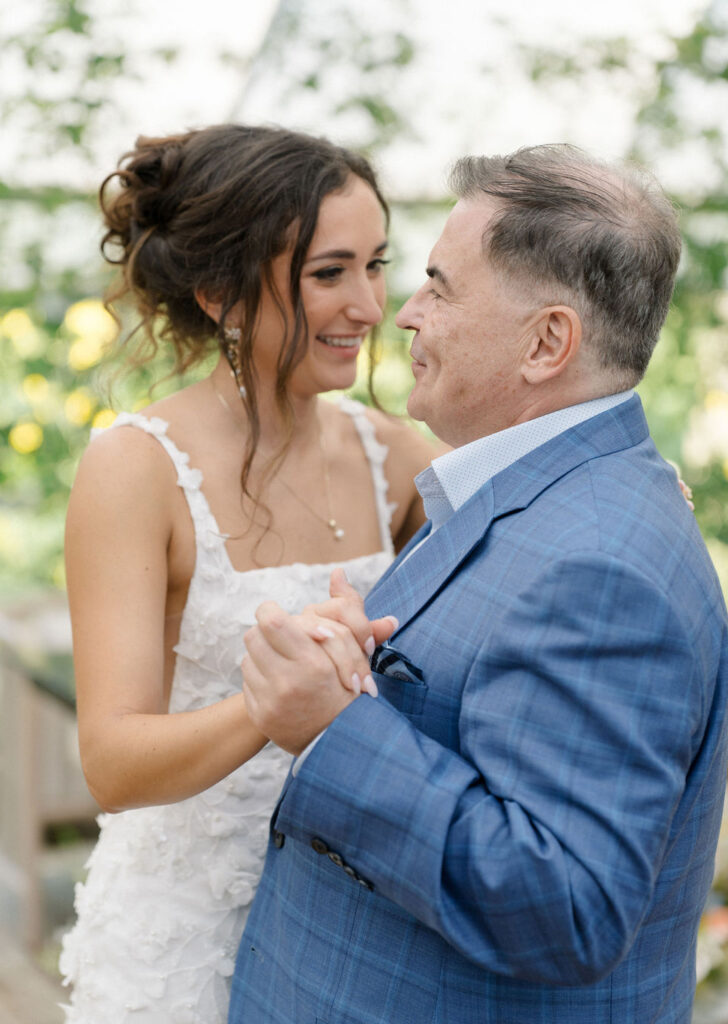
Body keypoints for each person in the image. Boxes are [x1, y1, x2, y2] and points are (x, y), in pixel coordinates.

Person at [231, 144, 728, 1023]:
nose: (406, 314)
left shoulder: (601, 569)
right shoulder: (532, 490)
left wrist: (334, 728)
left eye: (440, 285)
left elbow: (568, 905)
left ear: (547, 342)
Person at [58, 124, 435, 1023]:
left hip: (347, 936)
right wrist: (272, 706)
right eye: (328, 273)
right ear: (223, 293)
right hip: (181, 946)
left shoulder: (394, 458)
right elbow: (111, 765)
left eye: (376, 265)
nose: (371, 306)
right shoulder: (134, 470)